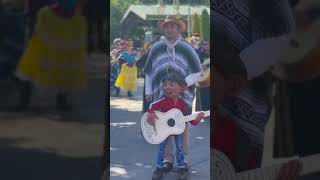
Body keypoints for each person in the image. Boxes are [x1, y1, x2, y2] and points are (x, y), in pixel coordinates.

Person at [144, 15, 202, 171]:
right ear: (163, 29)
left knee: (181, 127)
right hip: (160, 94)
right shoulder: (156, 48)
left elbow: (198, 72)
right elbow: (149, 72)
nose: (169, 29)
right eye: (167, 26)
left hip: (182, 96)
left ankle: (183, 159)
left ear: (178, 28)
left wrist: (182, 85)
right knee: (163, 127)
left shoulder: (186, 47)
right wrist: (149, 90)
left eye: (172, 26)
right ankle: (167, 159)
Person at [16, 0, 88, 111]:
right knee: (42, 66)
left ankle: (26, 100)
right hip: (51, 29)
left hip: (60, 29)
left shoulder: (78, 20)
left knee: (57, 67)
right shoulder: (47, 14)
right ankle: (26, 99)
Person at [147, 72, 204, 180]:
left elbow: (190, 120)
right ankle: (159, 167)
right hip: (164, 129)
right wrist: (151, 112)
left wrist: (198, 118)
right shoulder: (162, 101)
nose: (166, 87)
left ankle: (182, 166)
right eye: (164, 85)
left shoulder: (184, 105)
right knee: (162, 148)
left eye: (171, 84)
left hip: (178, 130)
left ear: (182, 88)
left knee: (180, 147)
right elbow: (151, 105)